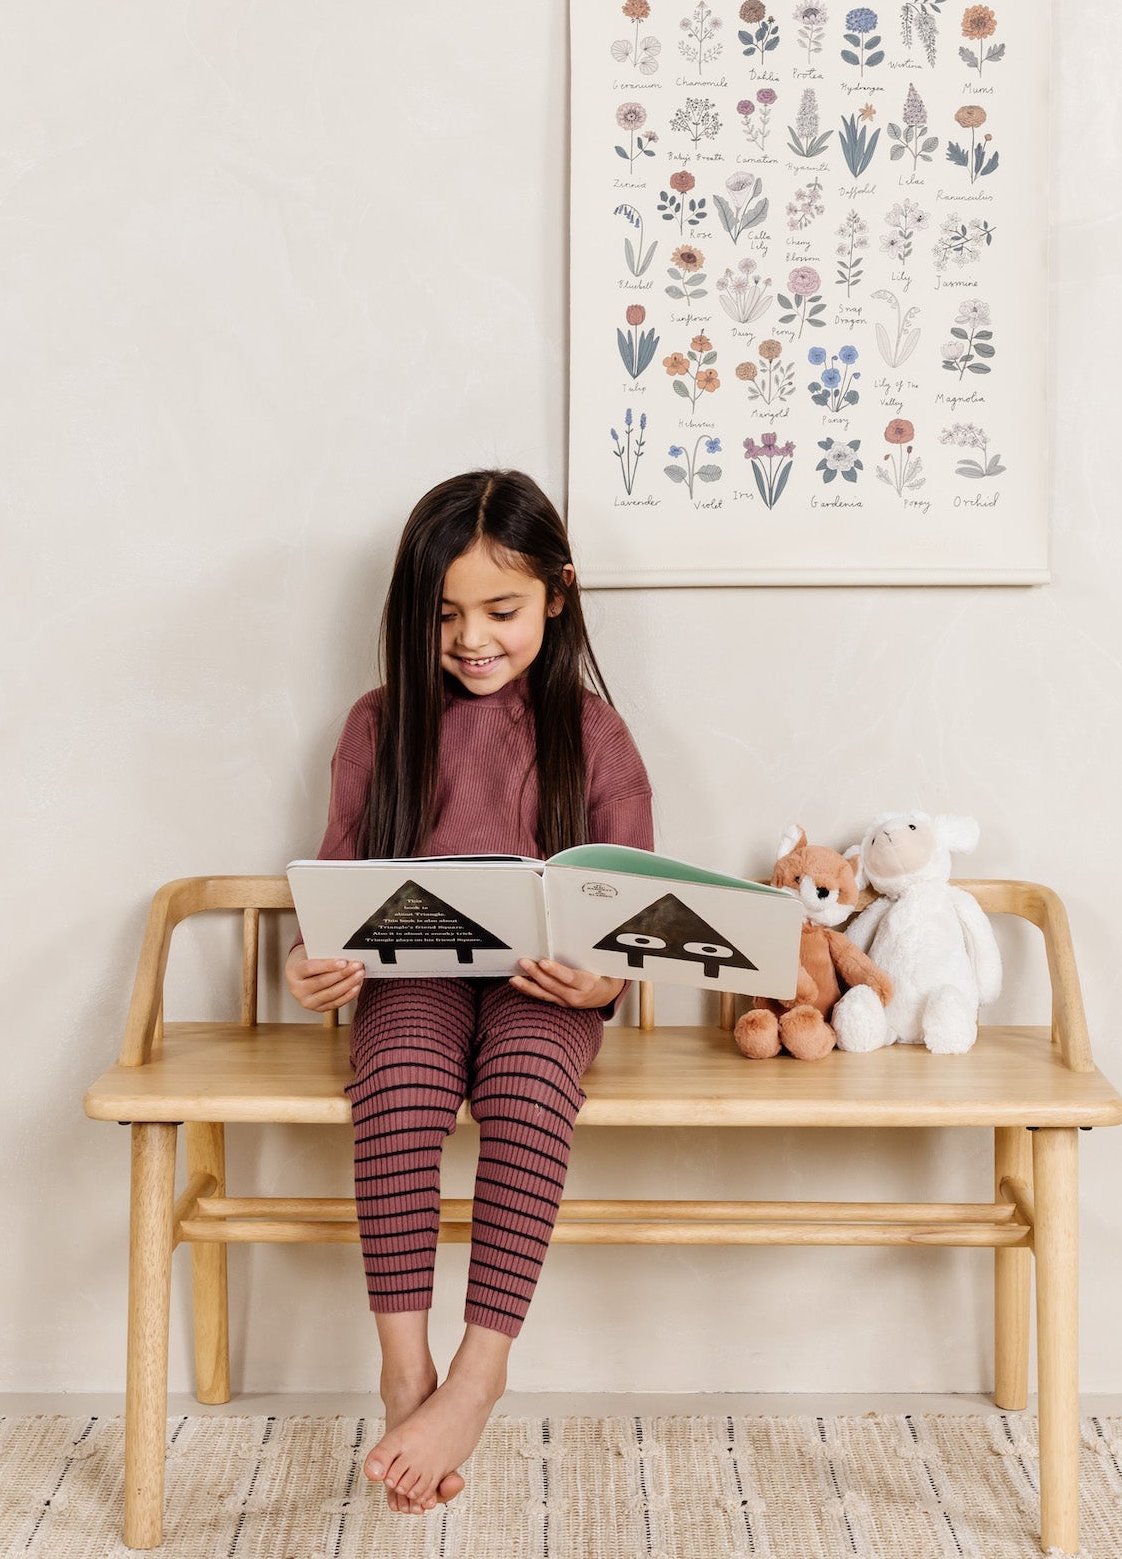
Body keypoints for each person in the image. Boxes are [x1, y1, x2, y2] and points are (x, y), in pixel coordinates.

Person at [284, 469, 653, 1514]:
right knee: (395, 1083)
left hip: (545, 987)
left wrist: (598, 978)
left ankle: (479, 1368)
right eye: (443, 614)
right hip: (414, 976)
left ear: (556, 596)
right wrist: (313, 966)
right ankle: (405, 1367)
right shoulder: (379, 723)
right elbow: (336, 890)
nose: (472, 637)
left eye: (500, 609)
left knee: (530, 1084)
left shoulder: (594, 734)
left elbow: (631, 909)